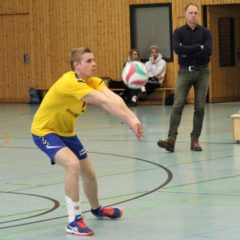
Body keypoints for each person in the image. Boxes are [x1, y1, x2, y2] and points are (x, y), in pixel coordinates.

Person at [31, 47, 143, 236]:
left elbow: (112, 97)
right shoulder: (70, 82)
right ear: (76, 65)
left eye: (94, 59)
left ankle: (96, 209)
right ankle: (74, 220)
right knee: (73, 165)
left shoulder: (92, 81)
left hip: (67, 132)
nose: (94, 64)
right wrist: (129, 120)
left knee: (89, 173)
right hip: (45, 131)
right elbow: (101, 101)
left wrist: (132, 117)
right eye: (89, 61)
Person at [157, 2, 212, 152]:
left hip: (202, 72)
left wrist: (187, 51)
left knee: (200, 107)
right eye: (190, 13)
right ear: (185, 14)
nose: (193, 16)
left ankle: (195, 140)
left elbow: (208, 52)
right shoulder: (178, 32)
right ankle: (171, 139)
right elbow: (177, 49)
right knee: (178, 104)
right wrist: (197, 47)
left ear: (198, 15)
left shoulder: (206, 32)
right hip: (184, 72)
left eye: (195, 13)